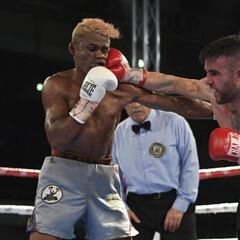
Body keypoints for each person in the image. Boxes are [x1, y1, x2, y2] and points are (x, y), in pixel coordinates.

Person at [27, 18, 212, 240]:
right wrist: (88, 100)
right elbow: (58, 138)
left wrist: (220, 111)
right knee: (43, 237)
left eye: (105, 49)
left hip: (103, 175)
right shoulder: (57, 85)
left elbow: (175, 103)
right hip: (64, 170)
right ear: (73, 49)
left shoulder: (120, 88)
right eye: (92, 48)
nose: (100, 56)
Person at [117, 34, 240, 239]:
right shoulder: (216, 95)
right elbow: (174, 84)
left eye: (215, 73)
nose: (207, 81)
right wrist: (129, 75)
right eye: (207, 73)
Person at [112, 102, 199, 240]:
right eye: (130, 101)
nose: (135, 105)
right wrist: (122, 208)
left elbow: (190, 166)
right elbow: (113, 175)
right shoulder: (119, 132)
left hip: (173, 199)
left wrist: (180, 206)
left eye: (139, 99)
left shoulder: (175, 122)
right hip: (136, 206)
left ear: (150, 98)